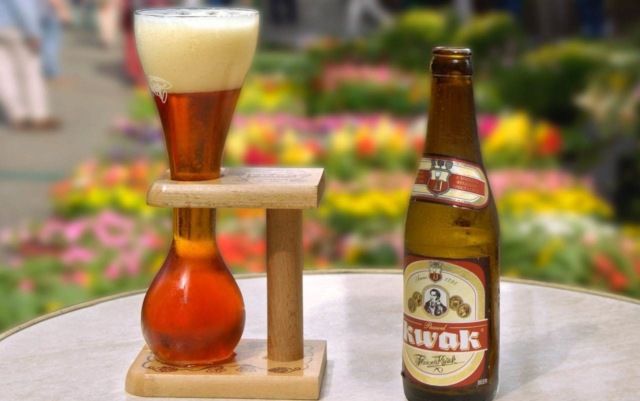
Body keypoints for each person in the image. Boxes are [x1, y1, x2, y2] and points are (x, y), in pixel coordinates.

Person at [0, 0, 59, 130]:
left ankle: (17, 114)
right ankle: (38, 115)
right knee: (30, 73)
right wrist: (33, 33)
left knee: (3, 75)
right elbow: (23, 6)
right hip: (16, 29)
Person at [41, 0, 71, 79]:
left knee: (45, 43)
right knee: (51, 44)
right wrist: (63, 11)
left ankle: (46, 69)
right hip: (51, 14)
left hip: (40, 13)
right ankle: (51, 71)